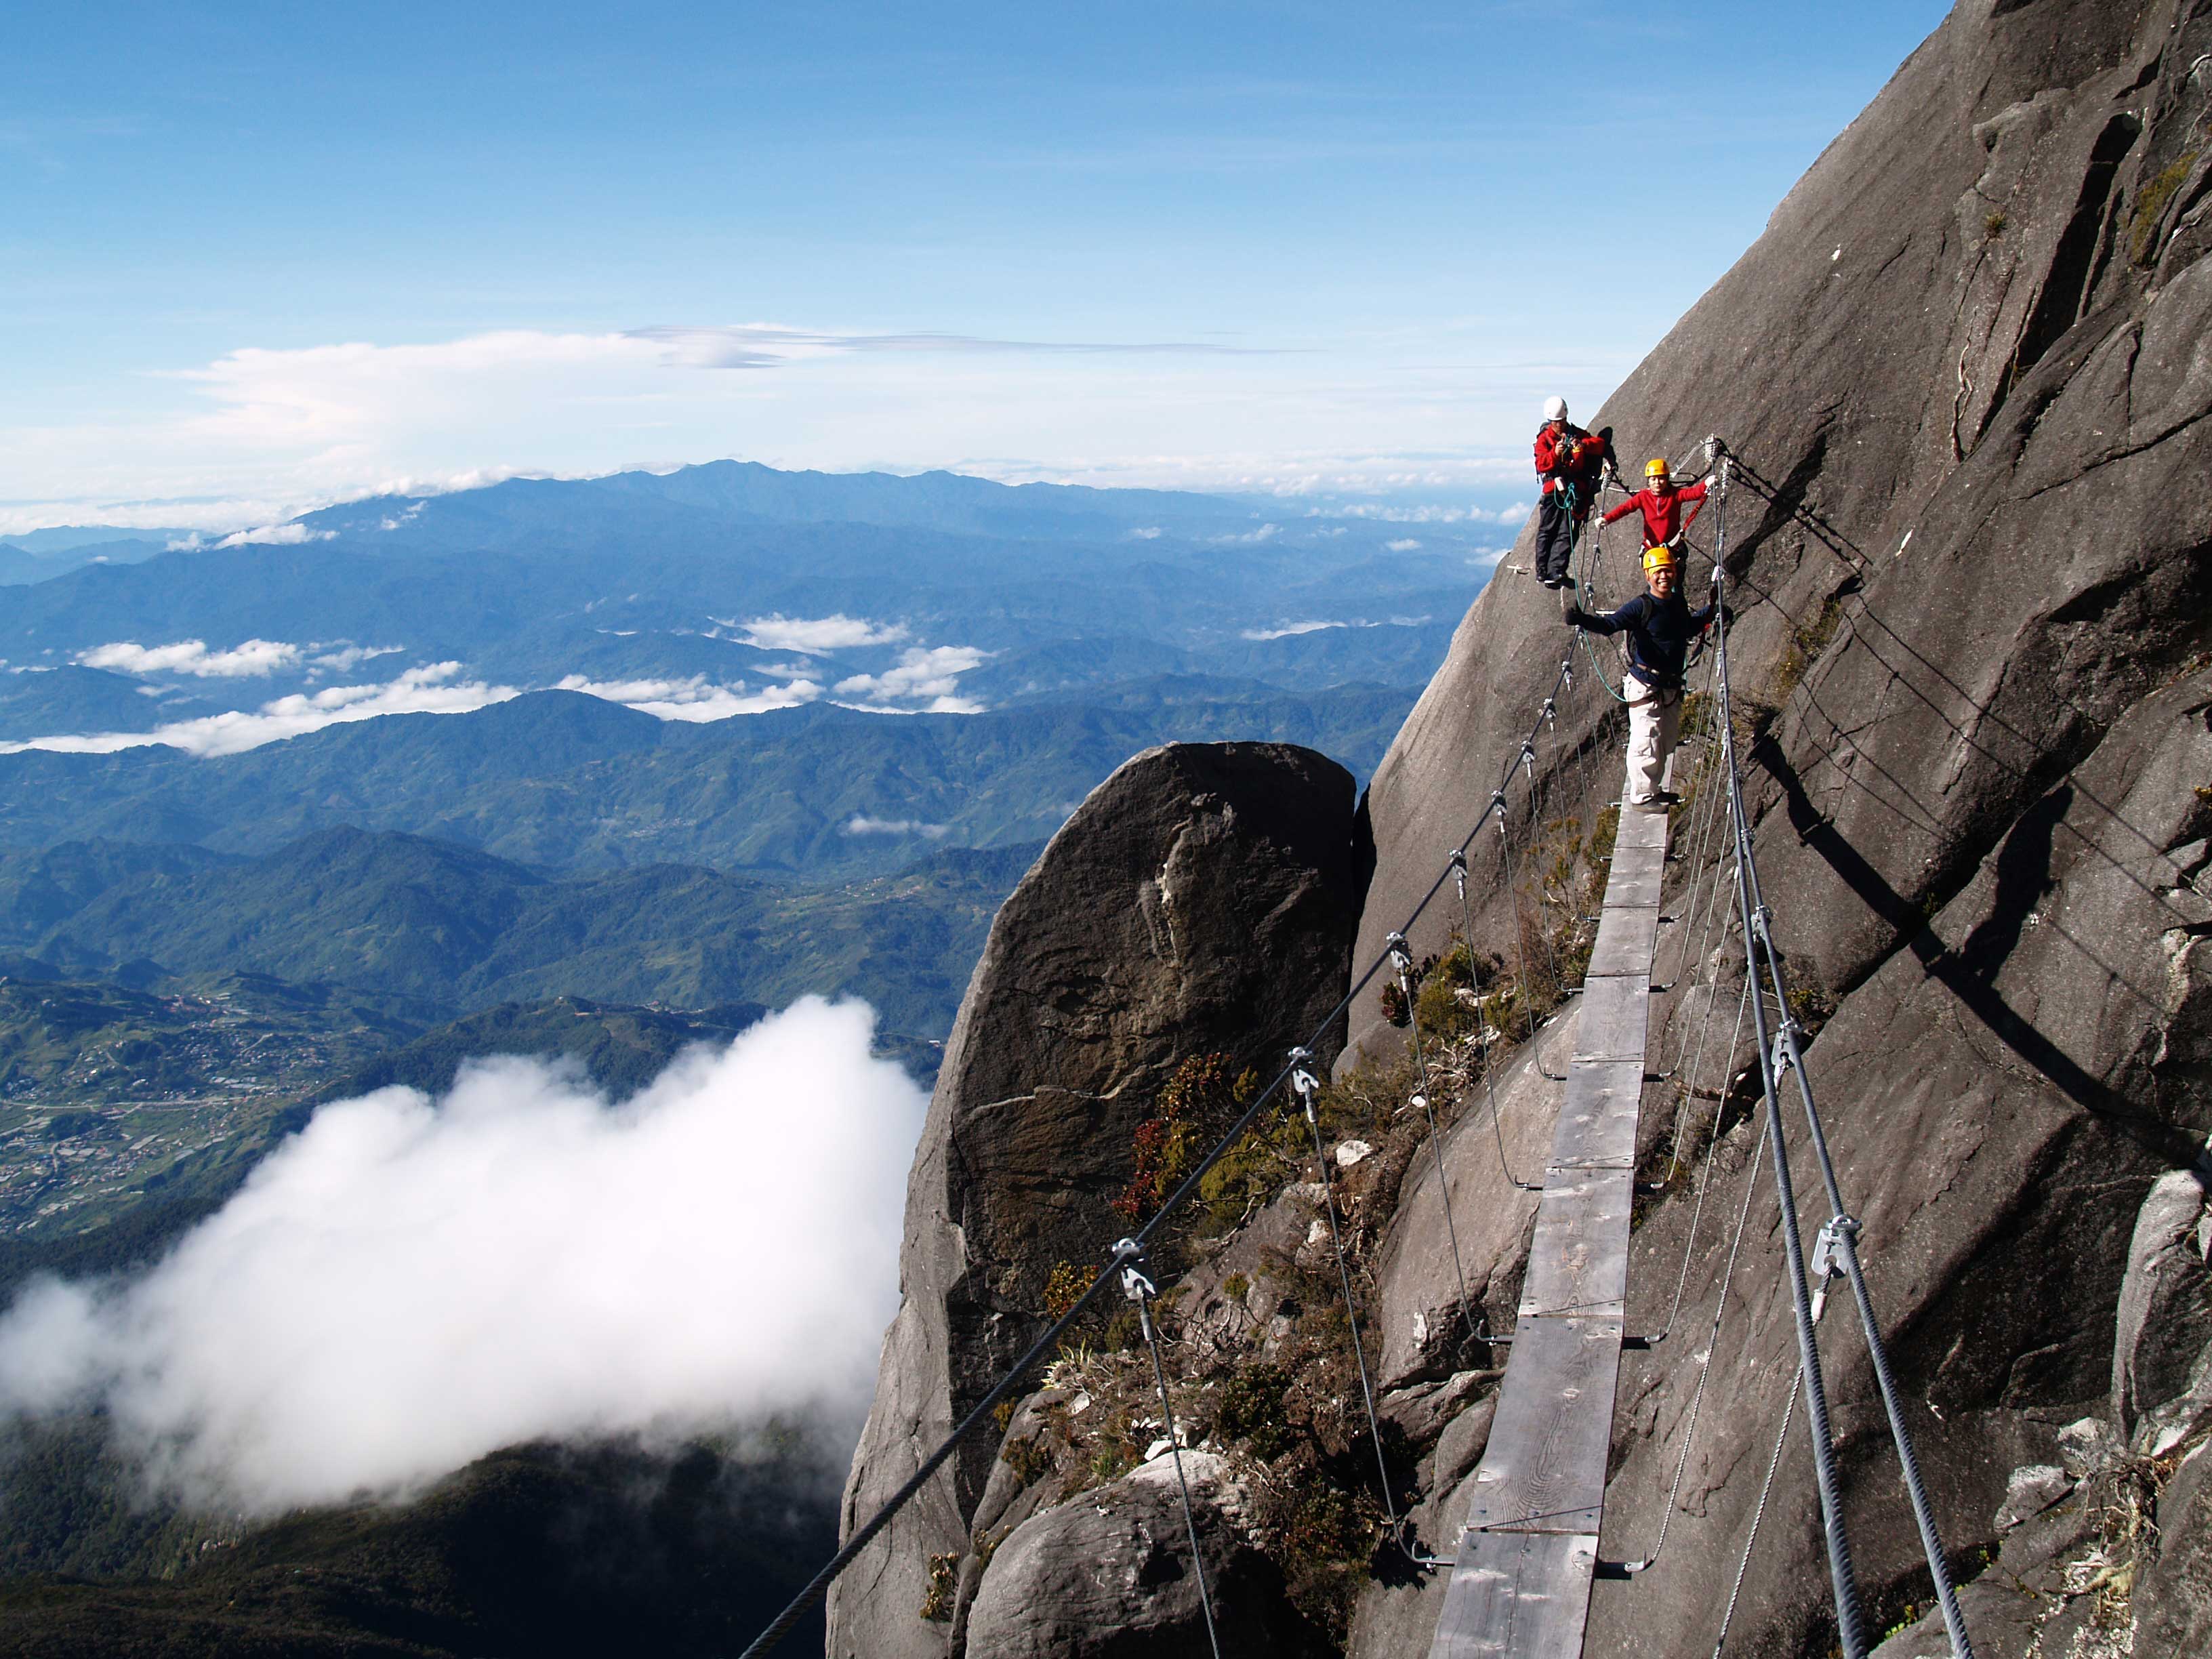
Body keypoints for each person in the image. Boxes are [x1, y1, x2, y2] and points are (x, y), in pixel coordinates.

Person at [1563, 543, 1727, 809]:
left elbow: (1686, 628)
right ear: (1647, 575)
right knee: (1646, 740)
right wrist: (1580, 619)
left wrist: (1710, 612)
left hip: (1669, 685)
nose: (1664, 576)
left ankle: (1654, 789)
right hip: (1646, 685)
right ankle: (1642, 796)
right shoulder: (1640, 606)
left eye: (1668, 571)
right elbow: (1609, 626)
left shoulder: (1676, 602)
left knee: (1666, 740)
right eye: (1658, 572)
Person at [1531, 396, 1613, 589]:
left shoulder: (1576, 434)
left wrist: (1583, 445)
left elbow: (1599, 444)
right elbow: (1541, 464)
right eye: (1555, 422)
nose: (1558, 425)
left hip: (1573, 490)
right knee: (1547, 530)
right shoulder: (1544, 440)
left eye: (1560, 421)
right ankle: (1542, 571)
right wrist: (1555, 454)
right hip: (1555, 489)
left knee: (1568, 531)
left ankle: (1557, 571)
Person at [1599, 456, 1712, 567]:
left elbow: (1693, 493)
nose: (1657, 482)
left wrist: (1706, 484)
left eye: (1661, 478)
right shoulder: (1643, 497)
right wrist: (1607, 519)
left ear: (1667, 480)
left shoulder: (1675, 494)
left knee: (1677, 579)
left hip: (1673, 546)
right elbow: (1625, 509)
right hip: (1652, 547)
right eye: (1653, 479)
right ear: (1648, 481)